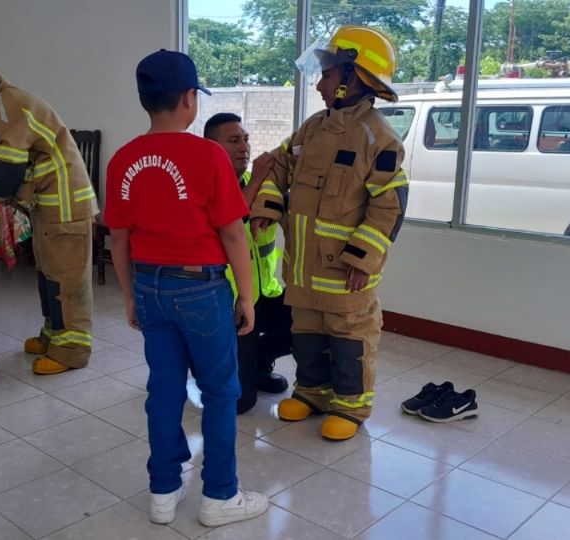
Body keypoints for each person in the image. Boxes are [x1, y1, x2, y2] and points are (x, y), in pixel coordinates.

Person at [105, 50, 268, 527]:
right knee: (220, 391)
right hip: (201, 289)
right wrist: (247, 294)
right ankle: (219, 496)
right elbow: (234, 233)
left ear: (144, 100)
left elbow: (118, 237)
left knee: (164, 389)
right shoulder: (208, 155)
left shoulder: (122, 159)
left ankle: (163, 489)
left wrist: (130, 295)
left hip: (149, 285)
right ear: (189, 99)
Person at [247, 26, 409, 441]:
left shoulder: (379, 138)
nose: (319, 84)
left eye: (327, 75)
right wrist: (266, 206)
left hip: (344, 273)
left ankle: (351, 406)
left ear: (352, 79)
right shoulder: (312, 128)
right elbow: (279, 167)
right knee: (307, 333)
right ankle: (312, 392)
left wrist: (363, 259)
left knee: (348, 339)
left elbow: (390, 205)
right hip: (301, 268)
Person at [0, 73, 97, 375]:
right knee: (49, 273)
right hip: (49, 205)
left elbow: (8, 169)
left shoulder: (5, 105)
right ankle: (53, 334)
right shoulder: (5, 103)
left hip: (64, 205)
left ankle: (71, 351)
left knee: (66, 279)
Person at [203, 112, 290, 414]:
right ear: (212, 148)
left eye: (246, 139)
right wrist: (254, 185)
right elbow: (229, 223)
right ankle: (205, 364)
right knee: (241, 403)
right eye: (233, 141)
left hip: (262, 295)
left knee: (306, 322)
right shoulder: (204, 185)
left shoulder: (258, 184)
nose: (244, 147)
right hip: (226, 303)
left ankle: (257, 363)